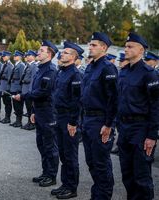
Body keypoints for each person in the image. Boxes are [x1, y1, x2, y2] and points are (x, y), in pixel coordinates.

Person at [117, 33, 159, 200]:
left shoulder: (149, 73)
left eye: (130, 46)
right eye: (125, 46)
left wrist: (152, 135)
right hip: (125, 129)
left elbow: (156, 106)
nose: (126, 49)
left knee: (141, 176)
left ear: (141, 50)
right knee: (127, 174)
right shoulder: (124, 72)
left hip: (141, 129)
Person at [14, 40, 59, 187]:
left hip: (48, 112)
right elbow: (36, 91)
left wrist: (23, 96)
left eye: (41, 50)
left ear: (50, 53)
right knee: (41, 144)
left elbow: (42, 92)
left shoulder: (51, 70)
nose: (38, 52)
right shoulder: (40, 69)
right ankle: (45, 172)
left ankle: (51, 176)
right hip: (39, 111)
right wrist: (33, 111)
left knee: (49, 146)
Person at [81, 32, 118, 200]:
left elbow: (113, 99)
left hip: (100, 121)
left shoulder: (108, 68)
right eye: (90, 44)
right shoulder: (90, 66)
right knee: (92, 163)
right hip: (87, 119)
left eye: (94, 45)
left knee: (101, 163)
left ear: (104, 47)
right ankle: (97, 195)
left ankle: (103, 196)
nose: (90, 47)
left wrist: (109, 124)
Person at [51, 42, 83, 199]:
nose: (62, 54)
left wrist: (73, 122)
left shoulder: (75, 74)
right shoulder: (61, 72)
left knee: (70, 155)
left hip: (68, 119)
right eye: (62, 52)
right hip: (59, 116)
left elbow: (77, 101)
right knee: (63, 154)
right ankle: (65, 184)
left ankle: (72, 187)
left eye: (66, 53)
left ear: (74, 57)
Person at [20, 50, 38, 130]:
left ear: (34, 57)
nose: (27, 57)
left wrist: (30, 91)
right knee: (28, 108)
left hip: (29, 90)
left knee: (30, 108)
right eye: (27, 55)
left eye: (29, 55)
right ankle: (29, 122)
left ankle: (32, 124)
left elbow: (33, 80)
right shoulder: (28, 65)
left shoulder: (34, 66)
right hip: (25, 89)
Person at [9, 50, 25, 127]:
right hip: (13, 87)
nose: (14, 57)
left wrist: (20, 91)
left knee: (18, 106)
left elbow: (22, 78)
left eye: (16, 56)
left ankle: (19, 121)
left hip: (17, 88)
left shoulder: (21, 65)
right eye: (14, 56)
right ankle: (17, 121)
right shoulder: (16, 65)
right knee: (15, 105)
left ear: (20, 57)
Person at [0, 51, 14, 124]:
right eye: (3, 56)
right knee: (5, 103)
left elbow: (10, 78)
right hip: (3, 86)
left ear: (8, 57)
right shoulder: (4, 65)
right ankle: (6, 117)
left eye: (4, 56)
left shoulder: (10, 66)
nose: (3, 58)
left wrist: (8, 88)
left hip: (7, 87)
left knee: (8, 104)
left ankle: (8, 118)